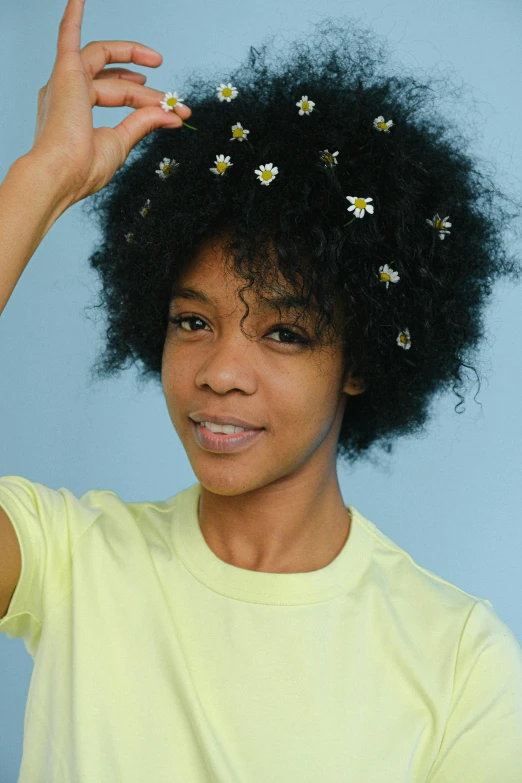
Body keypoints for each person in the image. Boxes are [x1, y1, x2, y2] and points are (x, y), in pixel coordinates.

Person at [1, 0, 521, 780]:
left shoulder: (459, 659)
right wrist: (41, 178)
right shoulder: (74, 561)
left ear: (360, 355)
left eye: (284, 332)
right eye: (192, 320)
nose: (220, 371)